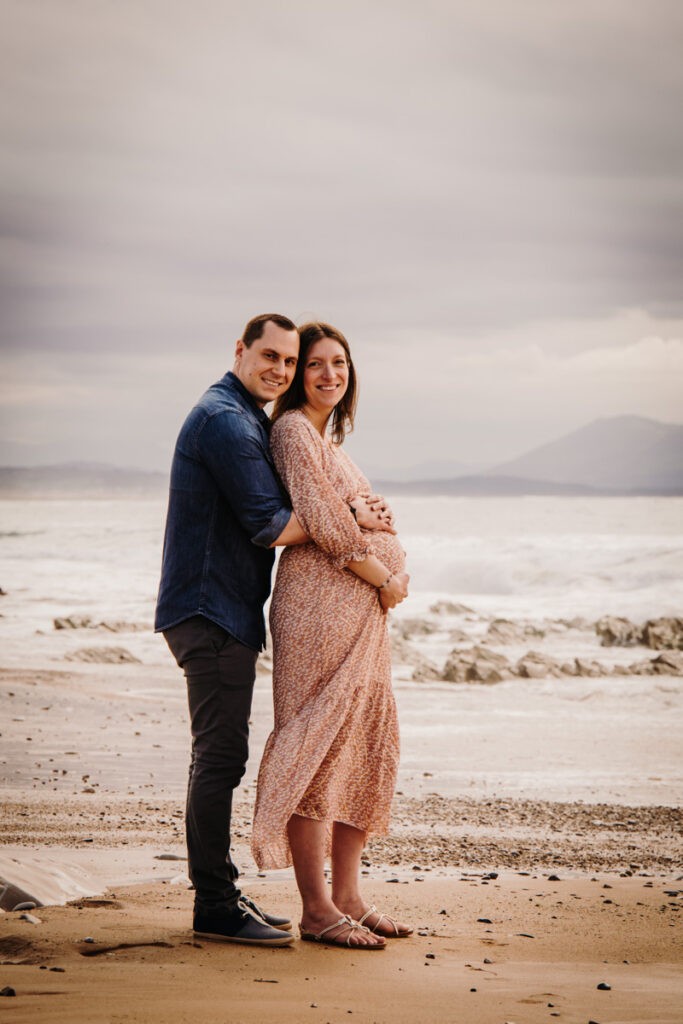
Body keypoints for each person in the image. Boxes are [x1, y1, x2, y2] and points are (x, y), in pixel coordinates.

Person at [155, 314, 393, 947]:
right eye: (278, 358)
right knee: (221, 758)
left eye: (292, 360)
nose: (284, 370)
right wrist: (348, 514)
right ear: (240, 350)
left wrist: (354, 521)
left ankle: (228, 896)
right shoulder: (230, 422)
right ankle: (215, 905)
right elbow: (274, 524)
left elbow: (291, 513)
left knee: (228, 756)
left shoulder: (248, 421)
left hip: (227, 607)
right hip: (211, 608)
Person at [251, 321, 411, 950]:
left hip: (360, 617)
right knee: (318, 748)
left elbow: (355, 517)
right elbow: (324, 523)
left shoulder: (332, 443)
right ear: (296, 374)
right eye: (314, 365)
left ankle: (349, 896)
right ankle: (316, 909)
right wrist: (383, 577)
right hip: (319, 611)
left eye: (338, 365)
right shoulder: (292, 431)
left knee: (364, 746)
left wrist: (387, 558)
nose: (328, 376)